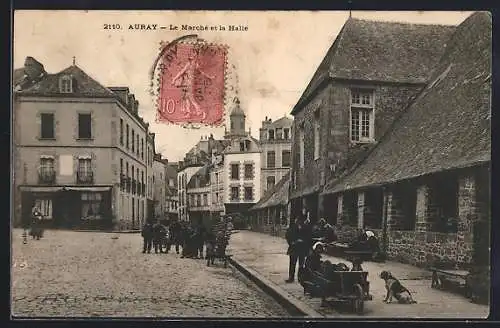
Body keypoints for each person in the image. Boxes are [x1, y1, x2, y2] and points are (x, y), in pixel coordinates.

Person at [285, 218, 309, 283]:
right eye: (297, 221)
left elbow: (309, 237)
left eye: (300, 221)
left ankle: (300, 278)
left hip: (302, 249)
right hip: (294, 248)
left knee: (301, 265)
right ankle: (291, 277)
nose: (299, 223)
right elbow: (287, 235)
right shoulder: (292, 228)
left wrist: (303, 241)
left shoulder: (305, 228)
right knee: (292, 264)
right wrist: (292, 242)